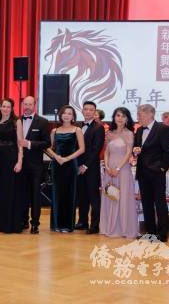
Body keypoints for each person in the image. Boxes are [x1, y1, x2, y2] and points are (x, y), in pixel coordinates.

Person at [133, 104, 169, 242]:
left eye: (140, 115)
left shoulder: (162, 129)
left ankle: (162, 234)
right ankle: (150, 232)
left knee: (160, 203)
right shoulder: (139, 130)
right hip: (142, 172)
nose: (138, 117)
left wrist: (162, 168)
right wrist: (135, 150)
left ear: (150, 114)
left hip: (156, 173)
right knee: (146, 203)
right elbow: (138, 147)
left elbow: (168, 151)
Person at [44, 105, 85, 233]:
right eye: (64, 113)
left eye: (69, 113)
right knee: (56, 193)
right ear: (61, 115)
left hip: (71, 165)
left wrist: (67, 159)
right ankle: (56, 224)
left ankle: (68, 225)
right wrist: (56, 156)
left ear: (73, 116)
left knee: (69, 193)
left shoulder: (77, 130)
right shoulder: (54, 131)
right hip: (57, 165)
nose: (66, 115)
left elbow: (82, 149)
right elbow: (48, 147)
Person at [100, 107, 138, 238]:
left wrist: (117, 169)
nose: (120, 118)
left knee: (122, 198)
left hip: (122, 170)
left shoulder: (129, 133)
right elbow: (106, 152)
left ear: (127, 119)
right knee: (110, 196)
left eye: (123, 116)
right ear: (114, 117)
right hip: (109, 170)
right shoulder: (110, 133)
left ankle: (124, 228)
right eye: (118, 115)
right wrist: (107, 167)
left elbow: (128, 153)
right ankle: (108, 226)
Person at [17, 96, 51, 234]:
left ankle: (35, 224)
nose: (27, 107)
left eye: (30, 104)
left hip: (35, 165)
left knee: (35, 195)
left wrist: (30, 144)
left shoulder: (42, 122)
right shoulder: (17, 121)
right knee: (22, 194)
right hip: (19, 164)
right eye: (25, 104)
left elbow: (47, 143)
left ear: (35, 105)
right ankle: (23, 221)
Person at [0, 98, 24, 233]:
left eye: (8, 107)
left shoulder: (16, 122)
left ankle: (12, 225)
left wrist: (20, 161)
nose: (5, 109)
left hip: (11, 159)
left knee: (11, 191)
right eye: (3, 106)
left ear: (12, 109)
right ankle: (2, 223)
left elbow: (20, 143)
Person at [77, 101, 104, 234]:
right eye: (86, 109)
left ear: (94, 112)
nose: (88, 112)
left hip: (91, 167)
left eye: (91, 110)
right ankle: (82, 222)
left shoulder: (98, 128)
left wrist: (86, 165)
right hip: (78, 167)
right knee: (82, 196)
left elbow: (96, 149)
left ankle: (94, 225)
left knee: (94, 197)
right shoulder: (78, 126)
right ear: (82, 111)